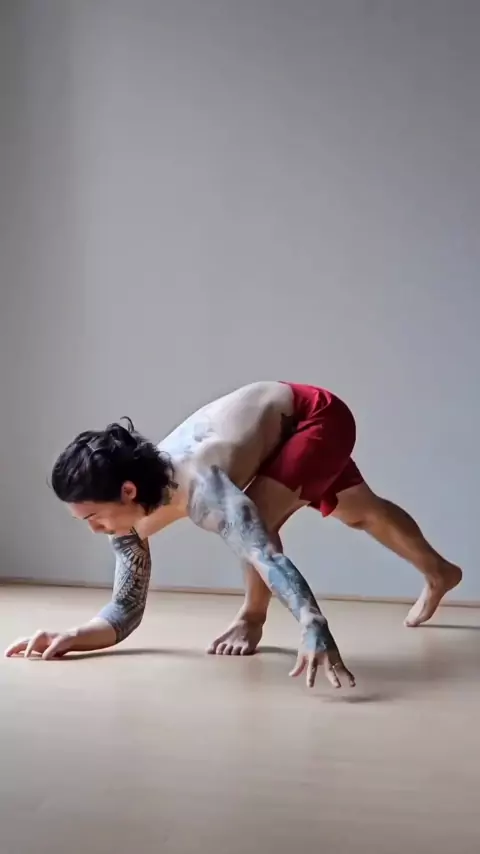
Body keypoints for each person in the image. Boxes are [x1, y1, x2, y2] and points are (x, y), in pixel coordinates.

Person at [5, 381, 461, 689]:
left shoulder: (204, 489)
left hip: (315, 415)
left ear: (127, 491)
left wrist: (313, 624)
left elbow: (265, 553)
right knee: (363, 513)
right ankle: (440, 572)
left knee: (256, 518)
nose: (95, 530)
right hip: (275, 432)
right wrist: (73, 636)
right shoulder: (127, 517)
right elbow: (126, 609)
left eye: (93, 517)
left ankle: (251, 618)